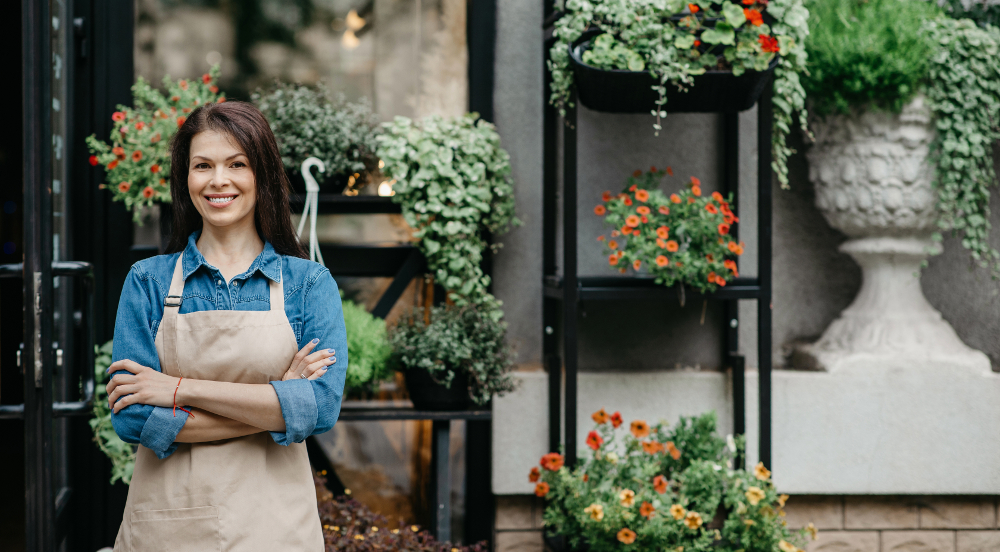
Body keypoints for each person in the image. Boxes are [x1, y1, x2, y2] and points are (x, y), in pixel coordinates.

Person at [105, 101, 346, 551]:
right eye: (203, 165)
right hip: (170, 525)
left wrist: (179, 389)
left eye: (237, 164)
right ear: (186, 178)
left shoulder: (308, 284)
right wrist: (277, 403)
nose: (219, 180)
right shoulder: (148, 282)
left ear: (263, 175)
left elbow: (319, 409)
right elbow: (134, 417)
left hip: (275, 528)